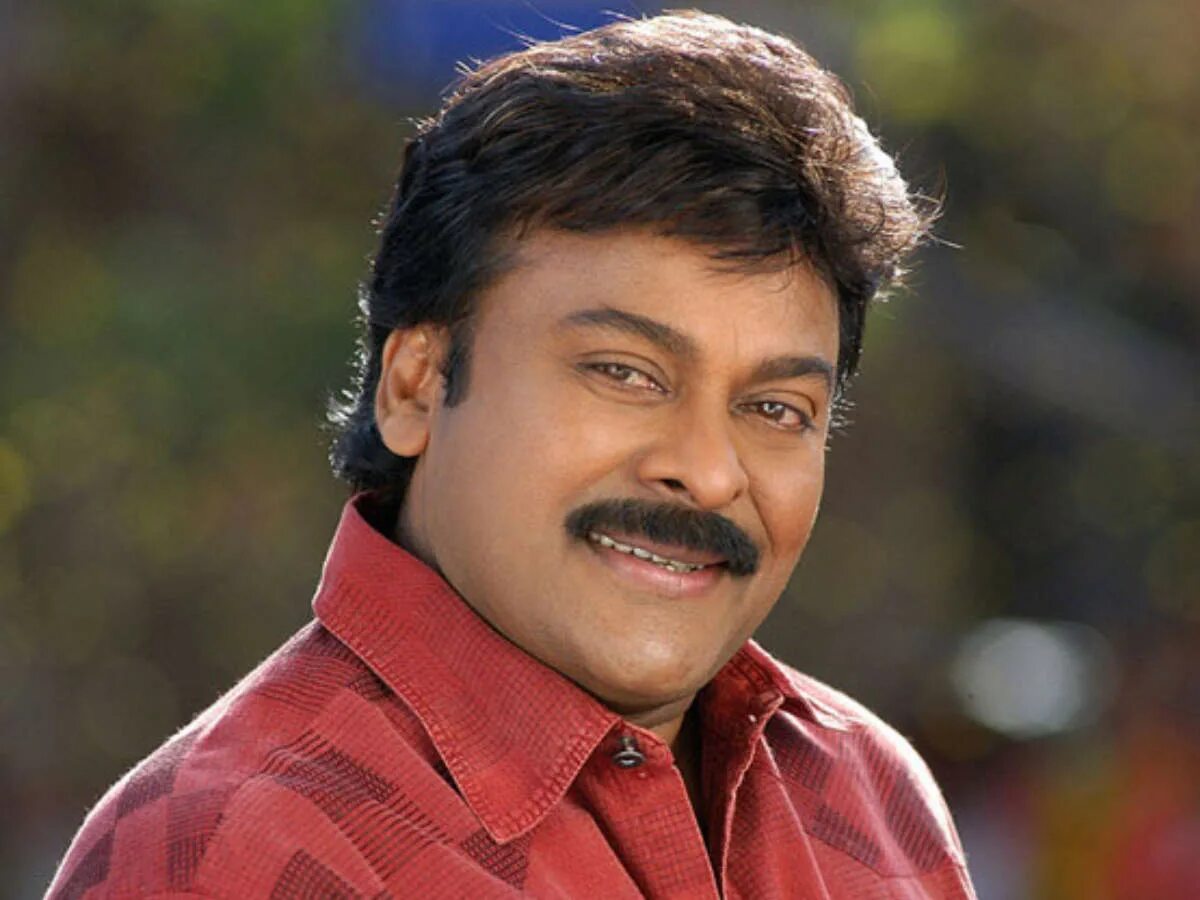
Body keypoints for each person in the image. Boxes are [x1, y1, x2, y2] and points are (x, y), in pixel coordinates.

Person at [48, 10, 976, 898]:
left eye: (775, 408)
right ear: (416, 386)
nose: (707, 471)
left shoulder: (865, 792)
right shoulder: (228, 859)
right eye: (624, 373)